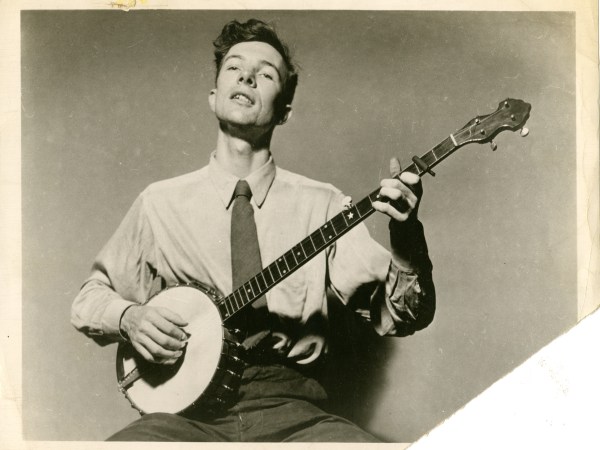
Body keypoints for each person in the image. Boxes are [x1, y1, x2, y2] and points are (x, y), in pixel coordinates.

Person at [71, 18, 435, 442]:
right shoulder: (159, 203)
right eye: (234, 67)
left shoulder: (324, 205)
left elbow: (404, 316)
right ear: (213, 96)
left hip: (296, 412)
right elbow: (87, 301)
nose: (246, 76)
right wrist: (130, 318)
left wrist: (406, 237)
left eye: (266, 74)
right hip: (187, 417)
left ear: (284, 111)